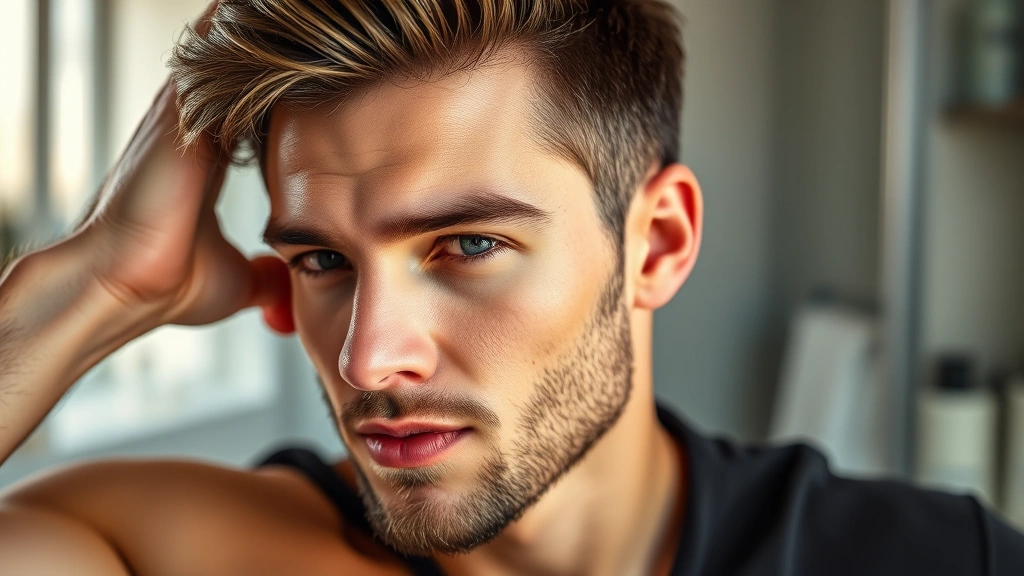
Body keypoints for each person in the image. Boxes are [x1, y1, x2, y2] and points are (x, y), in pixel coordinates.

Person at [0, 1, 1022, 574]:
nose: (367, 359)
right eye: (322, 260)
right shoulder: (185, 555)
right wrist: (99, 285)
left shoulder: (931, 564)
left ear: (656, 246)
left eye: (465, 246)